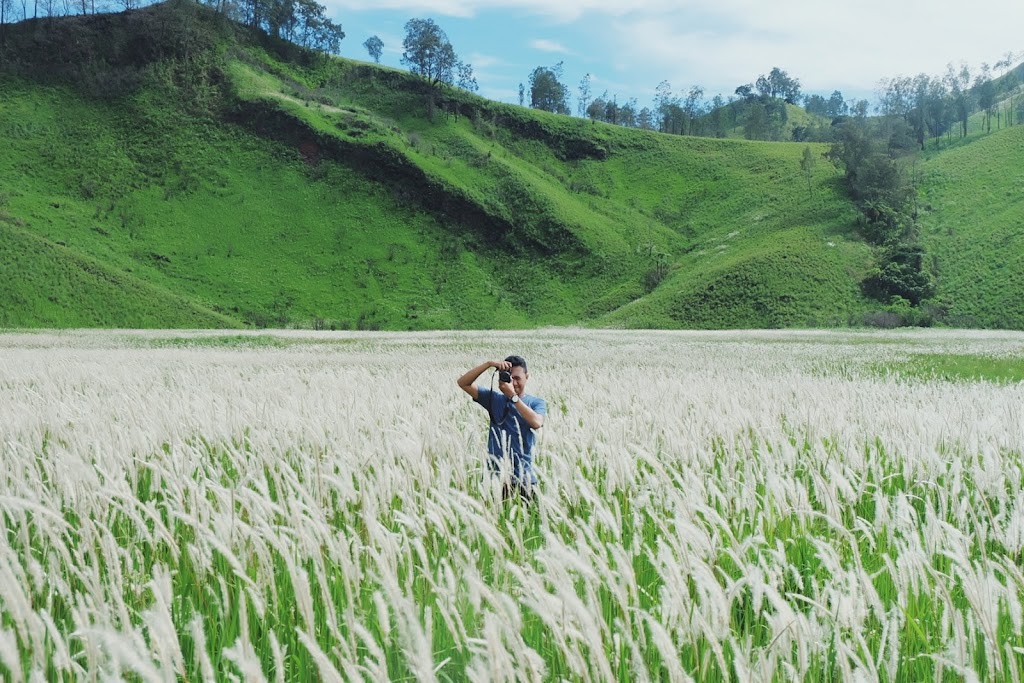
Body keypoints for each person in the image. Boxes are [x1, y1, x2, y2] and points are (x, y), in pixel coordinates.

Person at [456, 355, 546, 500]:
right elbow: (463, 383)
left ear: (527, 376)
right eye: (509, 378)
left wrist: (513, 397)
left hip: (524, 478)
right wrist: (488, 364)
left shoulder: (536, 402)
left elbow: (536, 422)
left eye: (517, 378)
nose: (513, 382)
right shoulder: (494, 399)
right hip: (496, 479)